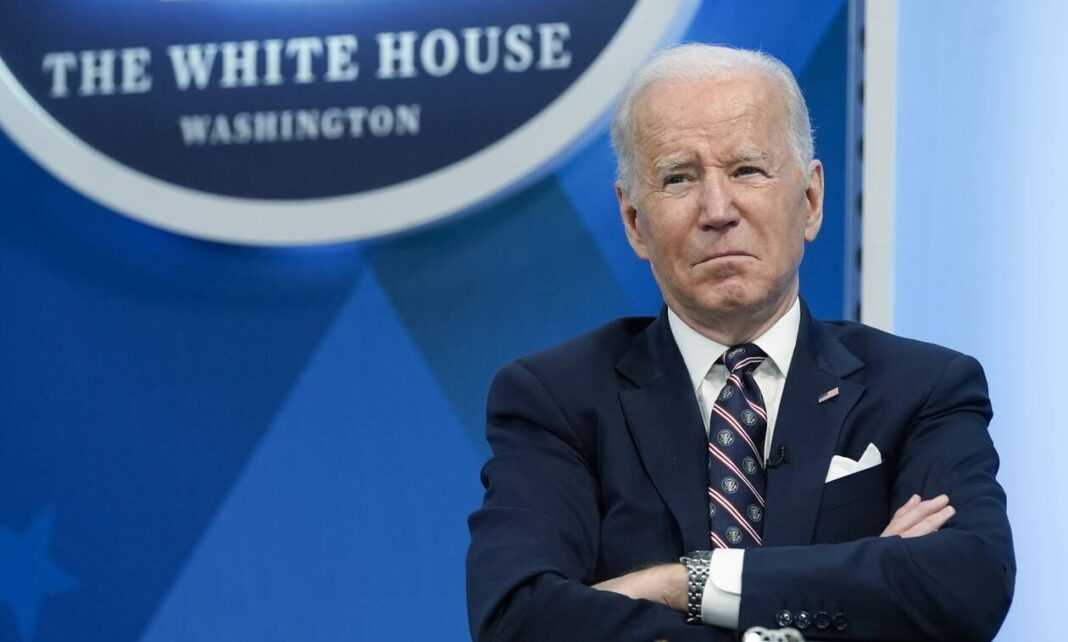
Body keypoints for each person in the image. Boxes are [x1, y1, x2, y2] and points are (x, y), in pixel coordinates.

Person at [466, 44, 1014, 642]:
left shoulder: (922, 388)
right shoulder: (556, 401)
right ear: (634, 221)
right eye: (679, 178)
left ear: (810, 200)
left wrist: (684, 583)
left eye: (747, 170)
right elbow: (520, 619)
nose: (717, 210)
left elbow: (967, 584)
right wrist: (857, 591)